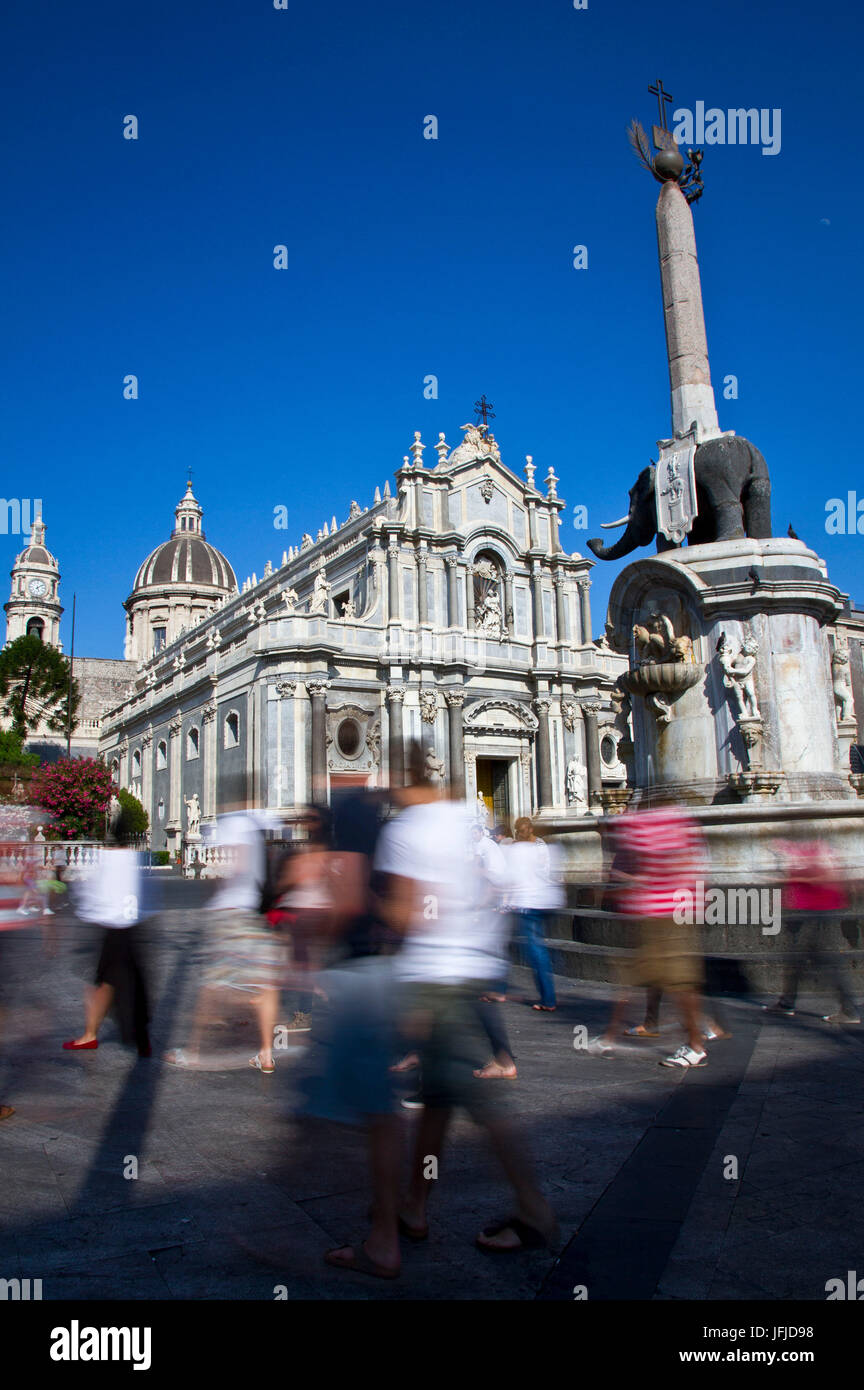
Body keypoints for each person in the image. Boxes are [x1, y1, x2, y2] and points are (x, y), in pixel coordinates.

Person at [323, 745, 557, 1279]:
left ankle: (533, 1207)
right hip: (471, 964)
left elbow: (408, 913)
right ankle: (415, 1205)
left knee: (469, 1100)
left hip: (432, 977)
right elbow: (491, 884)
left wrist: (362, 904)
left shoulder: (407, 830)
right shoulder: (468, 819)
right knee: (439, 1100)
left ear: (403, 779)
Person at [589, 802, 708, 1068]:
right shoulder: (669, 823)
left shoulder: (648, 826)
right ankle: (612, 1035)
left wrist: (627, 886)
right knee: (638, 978)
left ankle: (696, 1043)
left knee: (676, 983)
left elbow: (666, 867)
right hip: (661, 914)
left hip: (663, 917)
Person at [62, 835, 151, 1056]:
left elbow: (91, 895)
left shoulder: (106, 860)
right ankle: (136, 1038)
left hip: (113, 930)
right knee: (122, 983)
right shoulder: (134, 859)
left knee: (102, 983)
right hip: (131, 929)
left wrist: (84, 914)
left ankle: (91, 1035)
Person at [763, 839, 859, 1024]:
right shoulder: (803, 844)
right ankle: (787, 1003)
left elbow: (823, 876)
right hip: (811, 906)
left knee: (824, 960)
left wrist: (787, 879)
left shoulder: (815, 845)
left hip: (819, 907)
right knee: (796, 957)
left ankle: (849, 1010)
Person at [504, 818, 564, 1012]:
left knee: (535, 949)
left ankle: (548, 998)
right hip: (547, 900)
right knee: (539, 946)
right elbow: (550, 871)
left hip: (529, 902)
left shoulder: (515, 851)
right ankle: (549, 987)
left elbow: (509, 878)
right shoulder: (542, 846)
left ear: (516, 831)